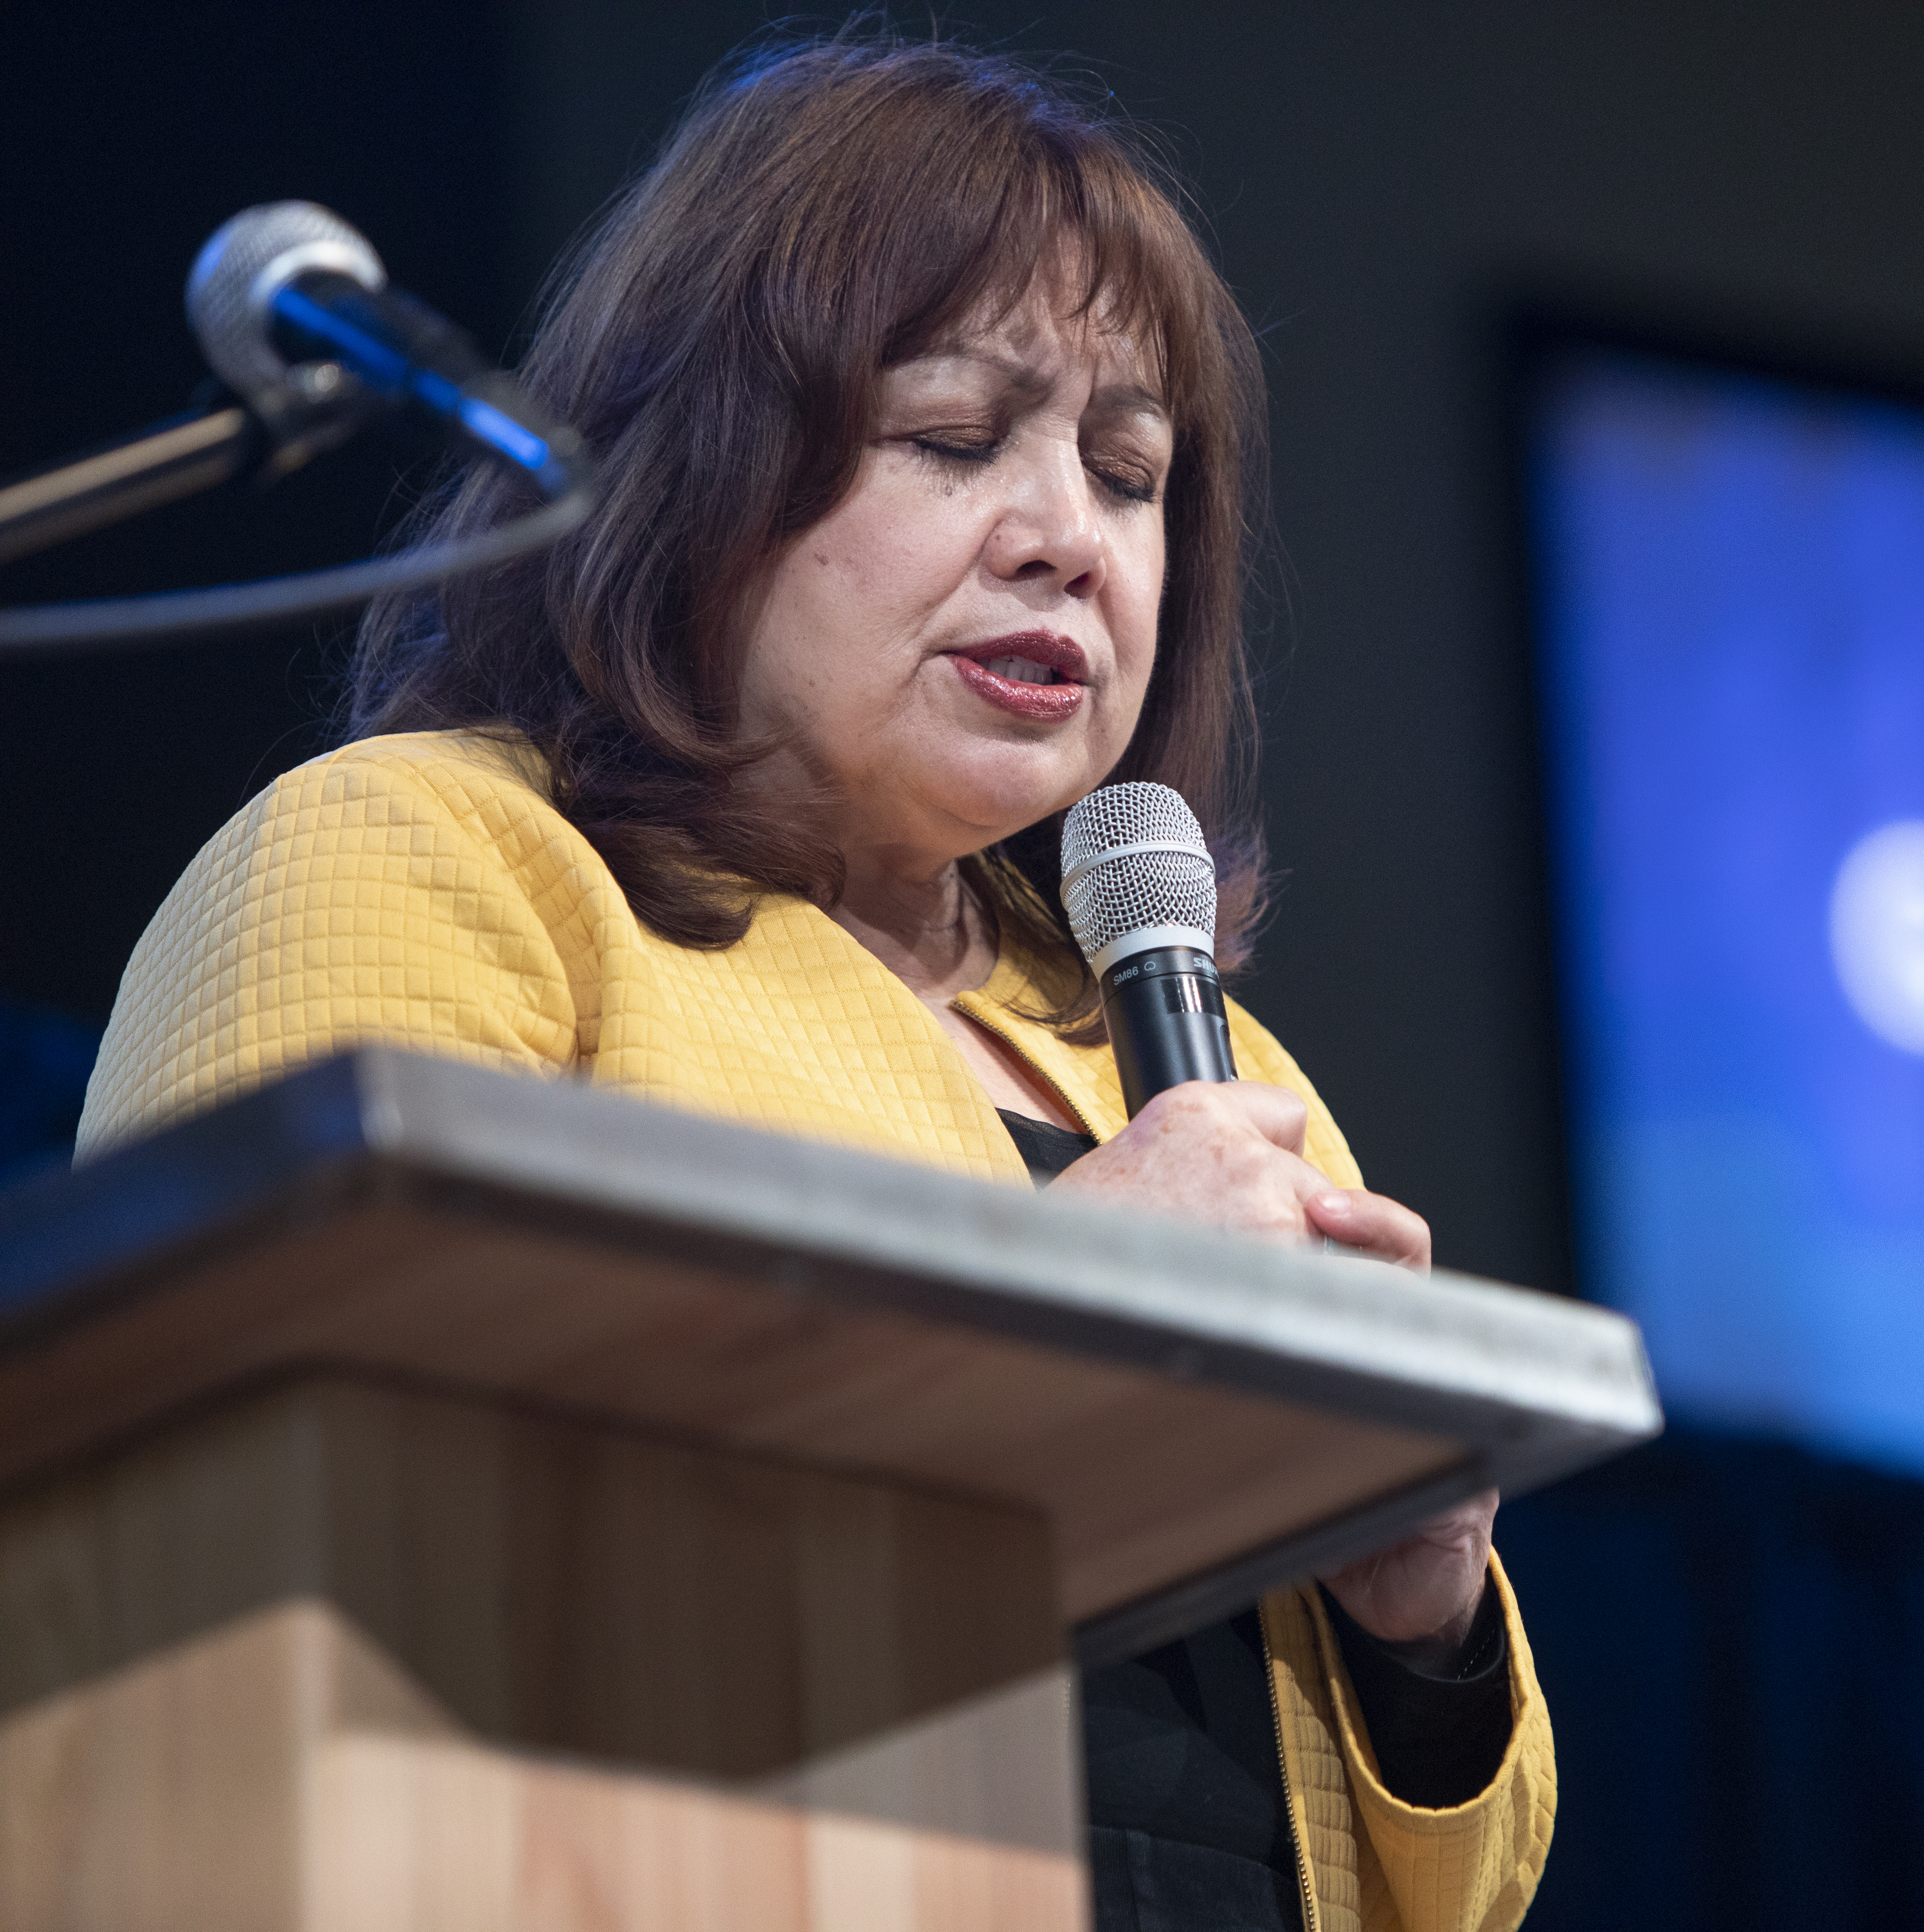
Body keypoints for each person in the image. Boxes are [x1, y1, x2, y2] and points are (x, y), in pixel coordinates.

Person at [75, 36, 1551, 1932]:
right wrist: (1069, 1325)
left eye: (1129, 475)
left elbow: (1428, 1886)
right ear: (699, 460)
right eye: (953, 439)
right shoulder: (430, 864)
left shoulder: (1194, 1057)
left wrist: (1418, 1617)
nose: (1066, 542)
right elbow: (272, 1608)